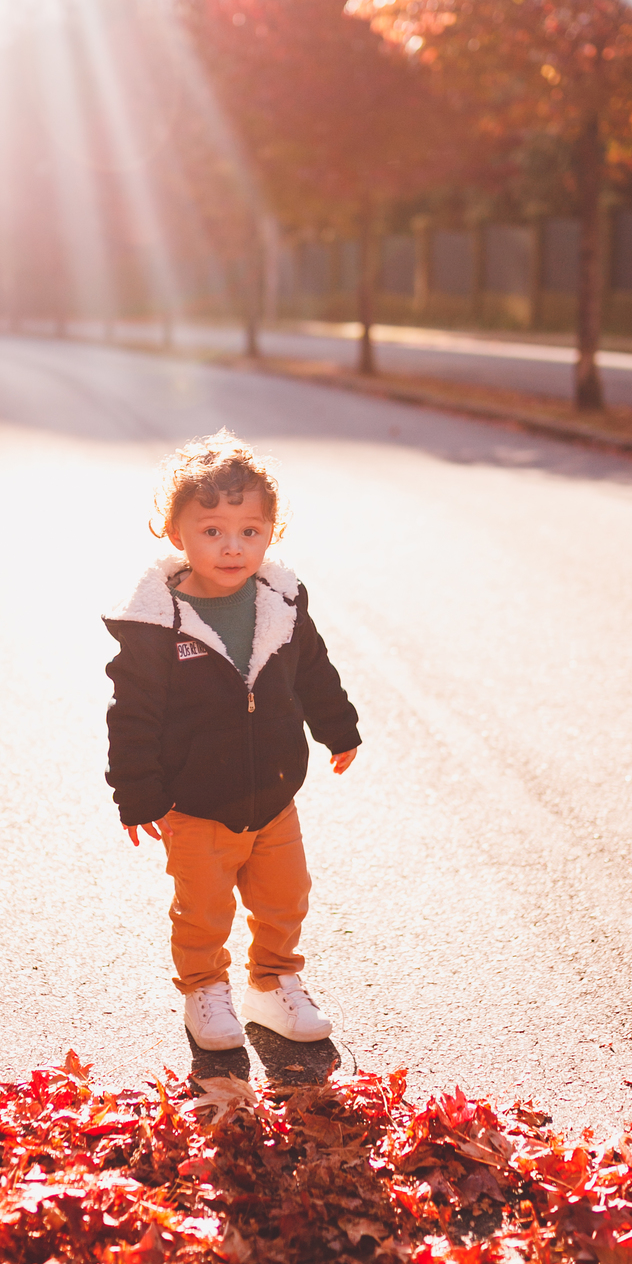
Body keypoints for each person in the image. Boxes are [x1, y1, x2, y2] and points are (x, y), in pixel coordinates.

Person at [103, 430, 361, 1052]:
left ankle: (272, 985)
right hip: (194, 804)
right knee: (203, 910)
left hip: (273, 794)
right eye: (212, 529)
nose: (231, 546)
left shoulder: (281, 601)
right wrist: (137, 794)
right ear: (176, 532)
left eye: (249, 530)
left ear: (270, 533)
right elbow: (131, 713)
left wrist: (338, 728)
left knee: (285, 898)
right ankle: (204, 990)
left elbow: (313, 668)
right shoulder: (157, 624)